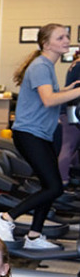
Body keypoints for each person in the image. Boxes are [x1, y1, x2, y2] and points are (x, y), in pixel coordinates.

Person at [0, 24, 80, 249]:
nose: (66, 40)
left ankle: (34, 236)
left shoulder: (47, 65)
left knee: (51, 185)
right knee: (54, 187)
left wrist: (69, 89)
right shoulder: (41, 66)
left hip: (40, 134)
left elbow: (48, 99)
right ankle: (6, 218)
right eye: (60, 37)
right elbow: (48, 99)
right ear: (46, 44)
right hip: (30, 134)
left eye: (67, 36)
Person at [57, 52, 80, 184]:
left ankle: (69, 171)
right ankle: (62, 179)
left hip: (71, 109)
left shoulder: (75, 64)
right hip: (72, 110)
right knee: (69, 146)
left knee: (72, 145)